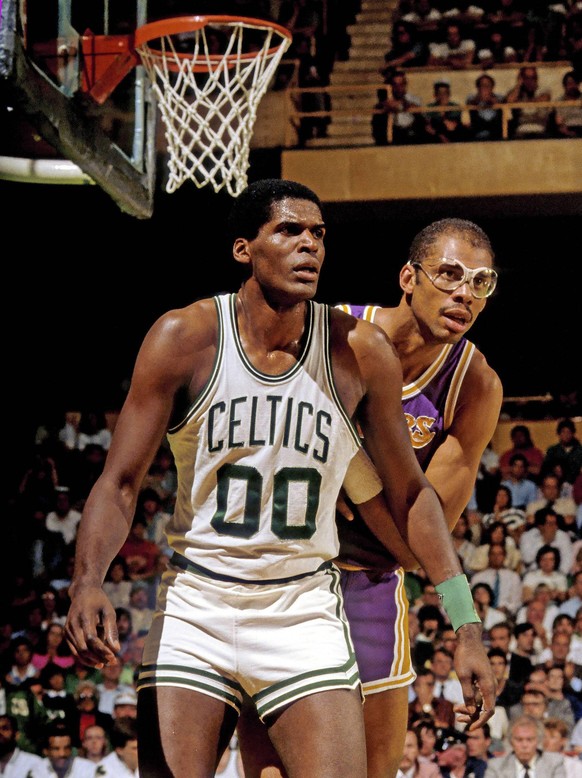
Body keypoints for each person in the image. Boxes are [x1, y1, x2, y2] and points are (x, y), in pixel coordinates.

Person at [64, 181, 495, 778]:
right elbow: (118, 482)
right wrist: (88, 579)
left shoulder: (361, 351)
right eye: (289, 231)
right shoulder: (183, 337)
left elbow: (414, 495)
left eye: (318, 234)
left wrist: (464, 621)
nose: (309, 245)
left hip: (305, 607)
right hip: (200, 600)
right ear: (244, 248)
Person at [239, 217, 501, 778]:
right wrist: (376, 496)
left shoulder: (474, 383)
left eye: (481, 283)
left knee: (373, 771)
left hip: (370, 583)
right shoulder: (332, 334)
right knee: (269, 771)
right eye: (450, 274)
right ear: (409, 276)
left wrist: (347, 470)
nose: (464, 293)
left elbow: (414, 547)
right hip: (281, 573)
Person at [484, 714, 566, 776]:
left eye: (530, 740)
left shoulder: (555, 763)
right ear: (511, 741)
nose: (524, 745)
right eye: (519, 740)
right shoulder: (496, 766)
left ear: (538, 740)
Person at [372, 71, 425, 146]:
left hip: (410, 134)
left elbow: (417, 109)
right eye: (395, 85)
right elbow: (385, 106)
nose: (398, 88)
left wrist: (402, 103)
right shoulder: (387, 100)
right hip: (395, 134)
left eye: (401, 84)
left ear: (405, 85)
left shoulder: (413, 98)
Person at [504, 65, 552, 140]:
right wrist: (518, 85)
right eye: (527, 78)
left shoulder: (544, 90)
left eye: (533, 78)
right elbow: (509, 101)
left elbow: (542, 100)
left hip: (540, 129)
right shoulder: (517, 92)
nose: (530, 81)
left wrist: (520, 103)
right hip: (521, 131)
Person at [466, 74, 504, 142]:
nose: (485, 88)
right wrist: (480, 98)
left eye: (488, 86)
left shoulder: (499, 97)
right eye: (482, 85)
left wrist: (491, 100)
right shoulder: (471, 97)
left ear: (492, 87)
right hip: (478, 130)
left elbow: (501, 104)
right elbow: (470, 103)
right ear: (478, 87)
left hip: (495, 131)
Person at [544, 419, 582, 487]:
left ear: (573, 433)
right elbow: (545, 469)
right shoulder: (552, 450)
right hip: (556, 485)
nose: (566, 435)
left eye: (569, 432)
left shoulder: (579, 450)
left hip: (574, 485)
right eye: (563, 432)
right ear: (558, 433)